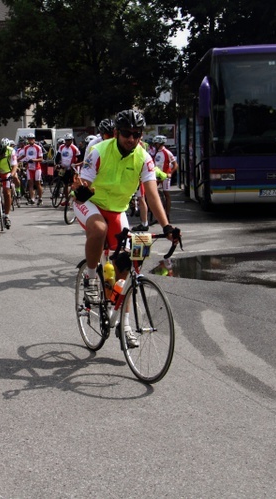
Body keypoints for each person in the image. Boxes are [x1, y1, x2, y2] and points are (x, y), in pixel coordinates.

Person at [73, 109, 178, 347]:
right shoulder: (99, 150)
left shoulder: (144, 157)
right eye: (127, 133)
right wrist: (82, 189)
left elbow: (152, 195)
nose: (132, 138)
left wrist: (167, 225)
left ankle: (124, 323)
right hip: (91, 204)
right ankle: (91, 278)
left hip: (118, 210)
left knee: (128, 264)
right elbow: (85, 183)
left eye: (137, 134)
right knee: (99, 230)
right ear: (117, 133)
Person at [150, 135, 179, 218]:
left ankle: (167, 214)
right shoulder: (154, 153)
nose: (155, 145)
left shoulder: (167, 152)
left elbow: (175, 165)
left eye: (156, 143)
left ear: (160, 143)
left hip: (165, 175)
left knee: (166, 195)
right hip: (156, 175)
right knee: (153, 193)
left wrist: (171, 173)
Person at [19, 133, 44, 206]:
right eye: (29, 139)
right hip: (29, 168)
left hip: (37, 168)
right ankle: (32, 199)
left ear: (34, 139)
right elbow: (23, 155)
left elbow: (41, 159)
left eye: (32, 139)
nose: (30, 140)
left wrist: (33, 160)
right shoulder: (26, 147)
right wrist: (17, 160)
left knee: (37, 183)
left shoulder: (38, 147)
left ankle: (40, 198)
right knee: (30, 183)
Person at [58, 133, 81, 206]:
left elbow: (79, 159)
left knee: (73, 185)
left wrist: (75, 166)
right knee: (65, 185)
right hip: (63, 168)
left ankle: (75, 200)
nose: (67, 142)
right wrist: (57, 164)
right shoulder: (61, 147)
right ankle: (67, 200)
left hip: (72, 169)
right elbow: (58, 156)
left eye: (69, 140)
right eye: (66, 140)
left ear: (71, 141)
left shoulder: (75, 148)